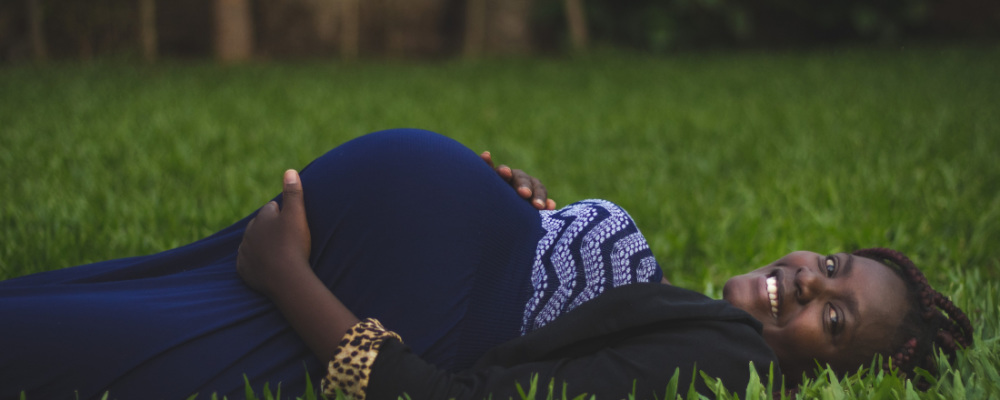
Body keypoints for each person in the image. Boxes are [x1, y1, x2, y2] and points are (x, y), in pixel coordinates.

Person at [0, 129, 972, 400]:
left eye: (834, 320)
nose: (808, 281)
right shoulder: (717, 330)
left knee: (42, 339)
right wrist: (539, 222)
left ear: (836, 376)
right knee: (60, 307)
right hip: (327, 258)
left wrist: (284, 271)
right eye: (832, 265)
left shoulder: (725, 365)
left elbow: (457, 396)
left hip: (297, 289)